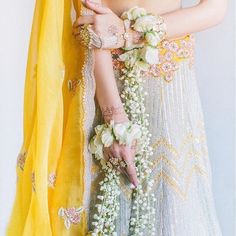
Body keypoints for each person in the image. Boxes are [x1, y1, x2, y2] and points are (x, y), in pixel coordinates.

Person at [6, 0, 227, 235]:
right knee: (108, 207)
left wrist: (128, 34)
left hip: (173, 91)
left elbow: (214, 9)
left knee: (176, 210)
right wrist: (114, 117)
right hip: (107, 86)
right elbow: (90, 19)